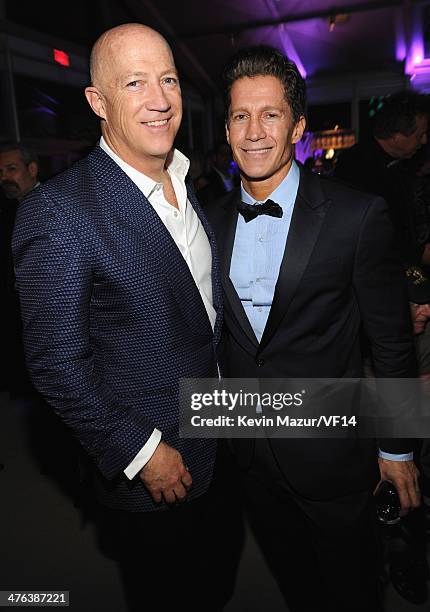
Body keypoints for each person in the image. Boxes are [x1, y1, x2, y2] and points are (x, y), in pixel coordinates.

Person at [12, 23, 241, 612]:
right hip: (158, 467)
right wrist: (140, 452)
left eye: (168, 79)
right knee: (168, 592)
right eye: (135, 82)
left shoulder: (190, 185)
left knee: (219, 577)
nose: (160, 99)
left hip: (221, 433)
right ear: (98, 103)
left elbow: (201, 316)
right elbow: (55, 365)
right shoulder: (59, 212)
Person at [204, 45, 420, 612]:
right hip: (249, 453)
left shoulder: (358, 215)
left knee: (351, 591)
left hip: (333, 453)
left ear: (298, 126)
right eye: (240, 116)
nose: (254, 132)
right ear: (226, 128)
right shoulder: (208, 220)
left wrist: (397, 450)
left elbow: (392, 343)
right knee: (296, 585)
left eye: (270, 115)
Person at [334, 91, 429, 267]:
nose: (424, 141)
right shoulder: (357, 166)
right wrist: (417, 254)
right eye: (419, 135)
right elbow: (370, 236)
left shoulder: (400, 161)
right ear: (396, 135)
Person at [0, 143, 40, 394]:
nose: (4, 177)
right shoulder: (7, 212)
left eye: (11, 169)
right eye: (0, 172)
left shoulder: (53, 206)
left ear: (32, 169)